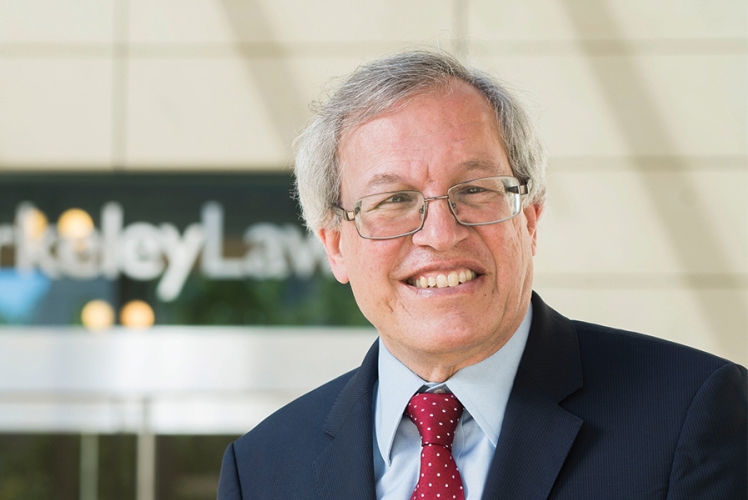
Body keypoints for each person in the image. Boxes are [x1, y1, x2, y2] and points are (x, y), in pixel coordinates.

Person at [217, 51, 747, 500]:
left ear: (531, 218)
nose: (441, 235)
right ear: (335, 244)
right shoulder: (262, 470)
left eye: (475, 190)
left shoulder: (692, 415)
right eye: (394, 200)